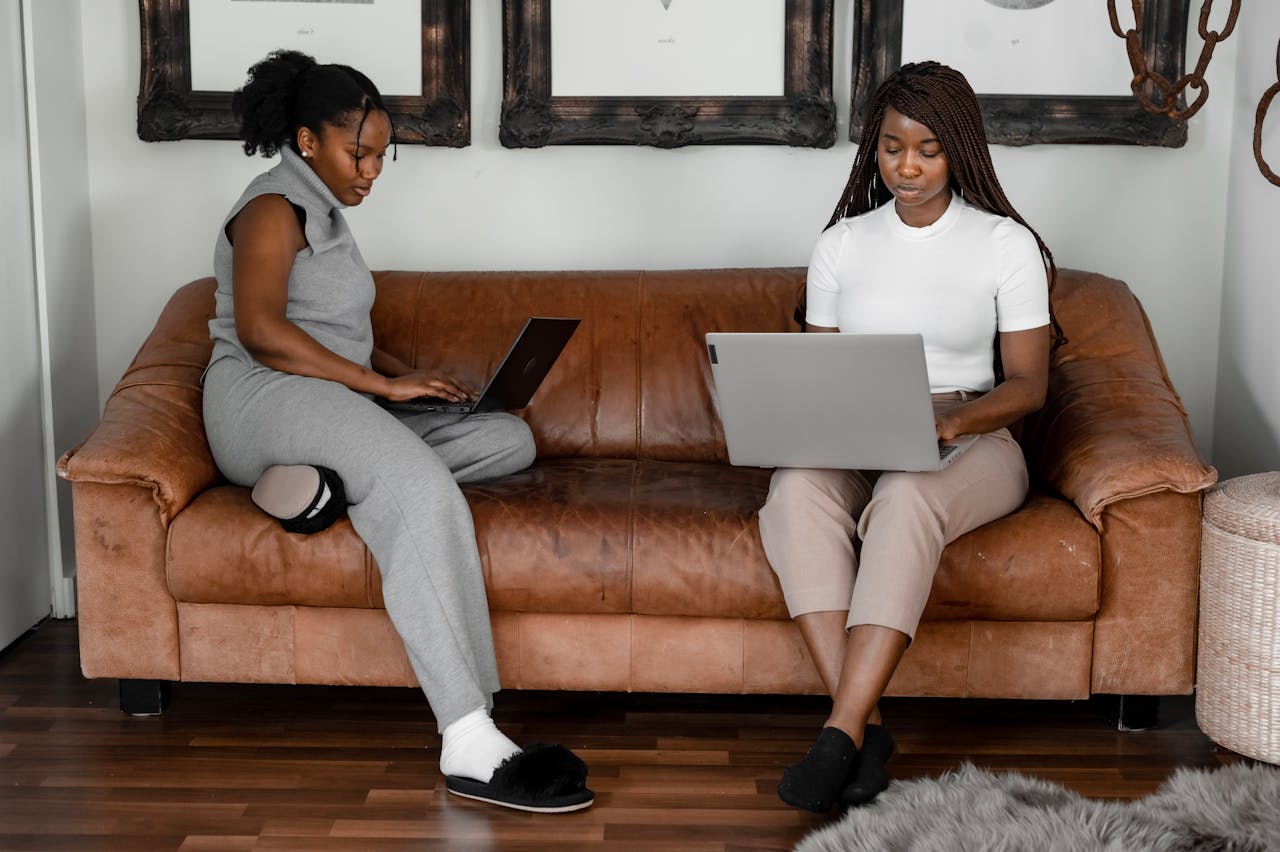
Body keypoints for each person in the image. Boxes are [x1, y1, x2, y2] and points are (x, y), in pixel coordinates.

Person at [201, 49, 593, 813]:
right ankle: (469, 737)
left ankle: (320, 489)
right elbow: (260, 331)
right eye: (361, 151)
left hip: (323, 405)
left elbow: (332, 333)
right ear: (308, 140)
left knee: (506, 438)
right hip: (259, 398)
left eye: (384, 155)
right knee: (416, 487)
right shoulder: (271, 206)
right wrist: (380, 389)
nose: (374, 169)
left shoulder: (327, 214)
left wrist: (408, 383)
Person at [758, 61, 1061, 813]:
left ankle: (839, 734)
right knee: (793, 492)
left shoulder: (1005, 245)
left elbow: (1030, 386)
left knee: (905, 496)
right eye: (892, 147)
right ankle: (862, 729)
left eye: (927, 148)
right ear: (873, 148)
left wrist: (951, 420)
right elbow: (825, 374)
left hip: (973, 435)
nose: (909, 166)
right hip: (861, 429)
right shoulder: (841, 245)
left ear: (959, 149)